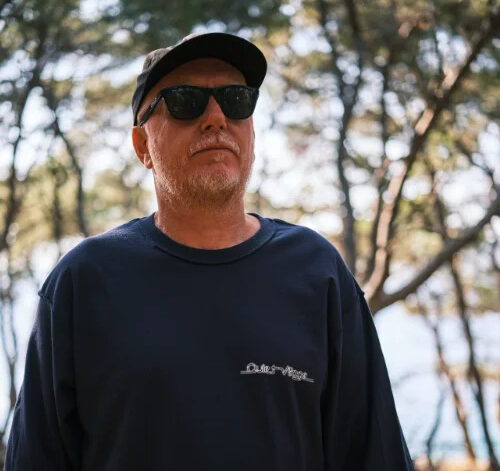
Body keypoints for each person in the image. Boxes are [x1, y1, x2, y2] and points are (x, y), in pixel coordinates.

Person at [4, 32, 415, 471]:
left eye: (236, 100)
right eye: (185, 101)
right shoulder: (84, 282)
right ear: (142, 146)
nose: (216, 118)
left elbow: (375, 454)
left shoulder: (317, 271)